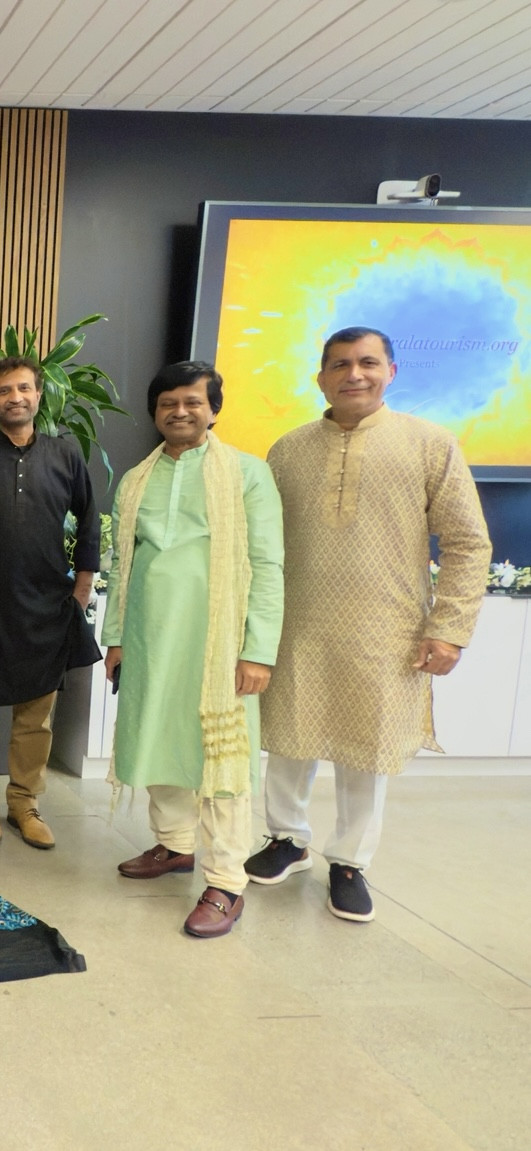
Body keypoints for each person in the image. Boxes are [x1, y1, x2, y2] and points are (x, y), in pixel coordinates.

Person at [250, 327, 491, 922]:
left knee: (367, 747)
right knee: (287, 739)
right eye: (339, 364)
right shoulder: (288, 448)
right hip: (297, 620)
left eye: (366, 363)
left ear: (391, 371)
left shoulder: (430, 444)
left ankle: (351, 862)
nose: (353, 374)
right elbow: (261, 542)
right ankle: (287, 838)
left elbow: (467, 541)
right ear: (321, 377)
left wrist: (450, 626)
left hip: (386, 627)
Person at [102, 361, 284, 938]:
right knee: (159, 741)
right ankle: (175, 846)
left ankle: (227, 881)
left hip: (218, 644)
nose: (180, 412)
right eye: (168, 404)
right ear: (155, 413)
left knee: (220, 762)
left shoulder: (247, 475)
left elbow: (268, 565)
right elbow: (122, 566)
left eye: (193, 402)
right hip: (152, 639)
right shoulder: (136, 478)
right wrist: (115, 638)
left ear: (213, 409)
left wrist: (258, 650)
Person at [0, 357, 102, 849]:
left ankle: (25, 803)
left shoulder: (66, 455)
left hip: (46, 603)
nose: (14, 397)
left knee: (35, 713)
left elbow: (89, 520)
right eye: (4, 390)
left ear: (39, 395)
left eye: (24, 388)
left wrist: (82, 587)